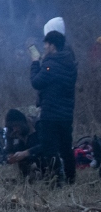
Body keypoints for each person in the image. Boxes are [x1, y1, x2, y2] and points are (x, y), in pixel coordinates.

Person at [30, 30, 77, 184]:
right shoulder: (70, 63)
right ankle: (71, 178)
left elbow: (36, 82)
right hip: (66, 114)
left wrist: (36, 62)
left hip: (50, 114)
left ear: (52, 45)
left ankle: (56, 180)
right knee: (66, 148)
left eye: (46, 44)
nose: (44, 47)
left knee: (50, 148)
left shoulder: (50, 65)